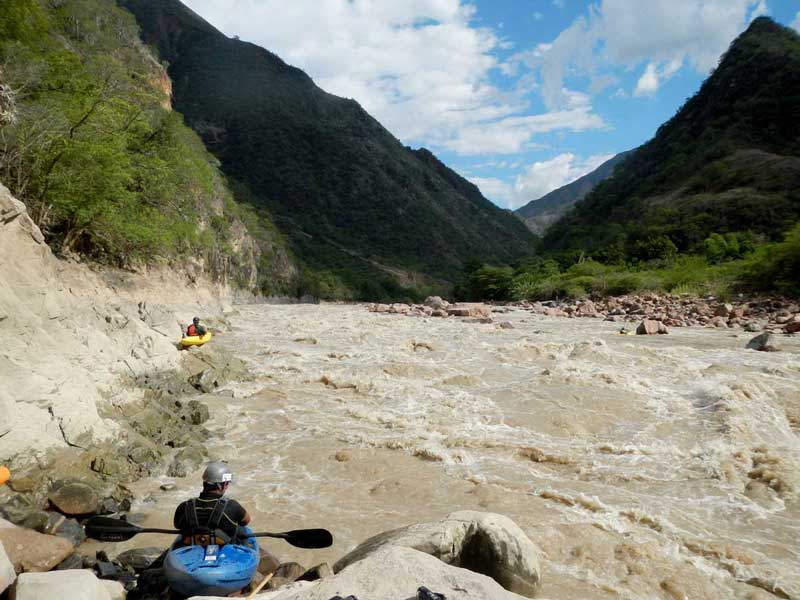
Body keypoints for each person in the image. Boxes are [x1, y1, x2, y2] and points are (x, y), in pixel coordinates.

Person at [173, 461, 251, 546]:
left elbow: (177, 526)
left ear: (204, 483)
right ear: (223, 485)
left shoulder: (184, 507)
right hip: (225, 546)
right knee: (242, 529)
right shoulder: (233, 506)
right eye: (227, 483)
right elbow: (246, 521)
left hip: (192, 543)